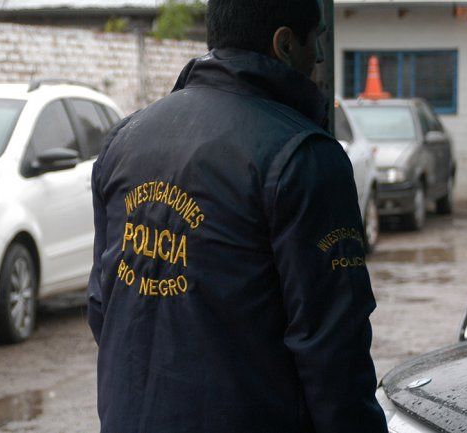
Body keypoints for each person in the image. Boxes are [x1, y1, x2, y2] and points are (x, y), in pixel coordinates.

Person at [87, 0, 387, 431]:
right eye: (316, 38)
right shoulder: (304, 157)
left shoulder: (126, 139)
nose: (320, 56)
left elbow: (103, 305)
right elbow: (333, 351)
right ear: (284, 43)